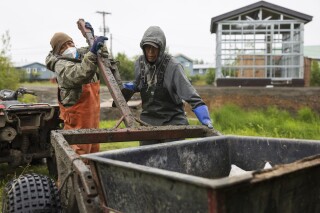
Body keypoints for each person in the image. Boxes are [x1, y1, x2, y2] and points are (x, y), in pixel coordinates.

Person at [124, 26, 213, 145]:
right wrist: (131, 87)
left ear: (161, 48)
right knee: (146, 160)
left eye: (154, 48)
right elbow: (138, 83)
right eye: (147, 48)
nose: (150, 52)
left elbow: (191, 96)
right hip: (148, 123)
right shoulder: (139, 63)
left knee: (173, 160)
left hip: (173, 123)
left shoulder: (173, 67)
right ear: (143, 48)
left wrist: (205, 119)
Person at [45, 22, 108, 155]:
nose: (69, 47)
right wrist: (92, 52)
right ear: (58, 51)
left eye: (70, 43)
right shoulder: (60, 65)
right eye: (63, 46)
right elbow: (80, 74)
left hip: (92, 120)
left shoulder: (81, 55)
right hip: (77, 121)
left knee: (94, 153)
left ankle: (93, 175)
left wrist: (91, 37)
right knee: (79, 154)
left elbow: (101, 54)